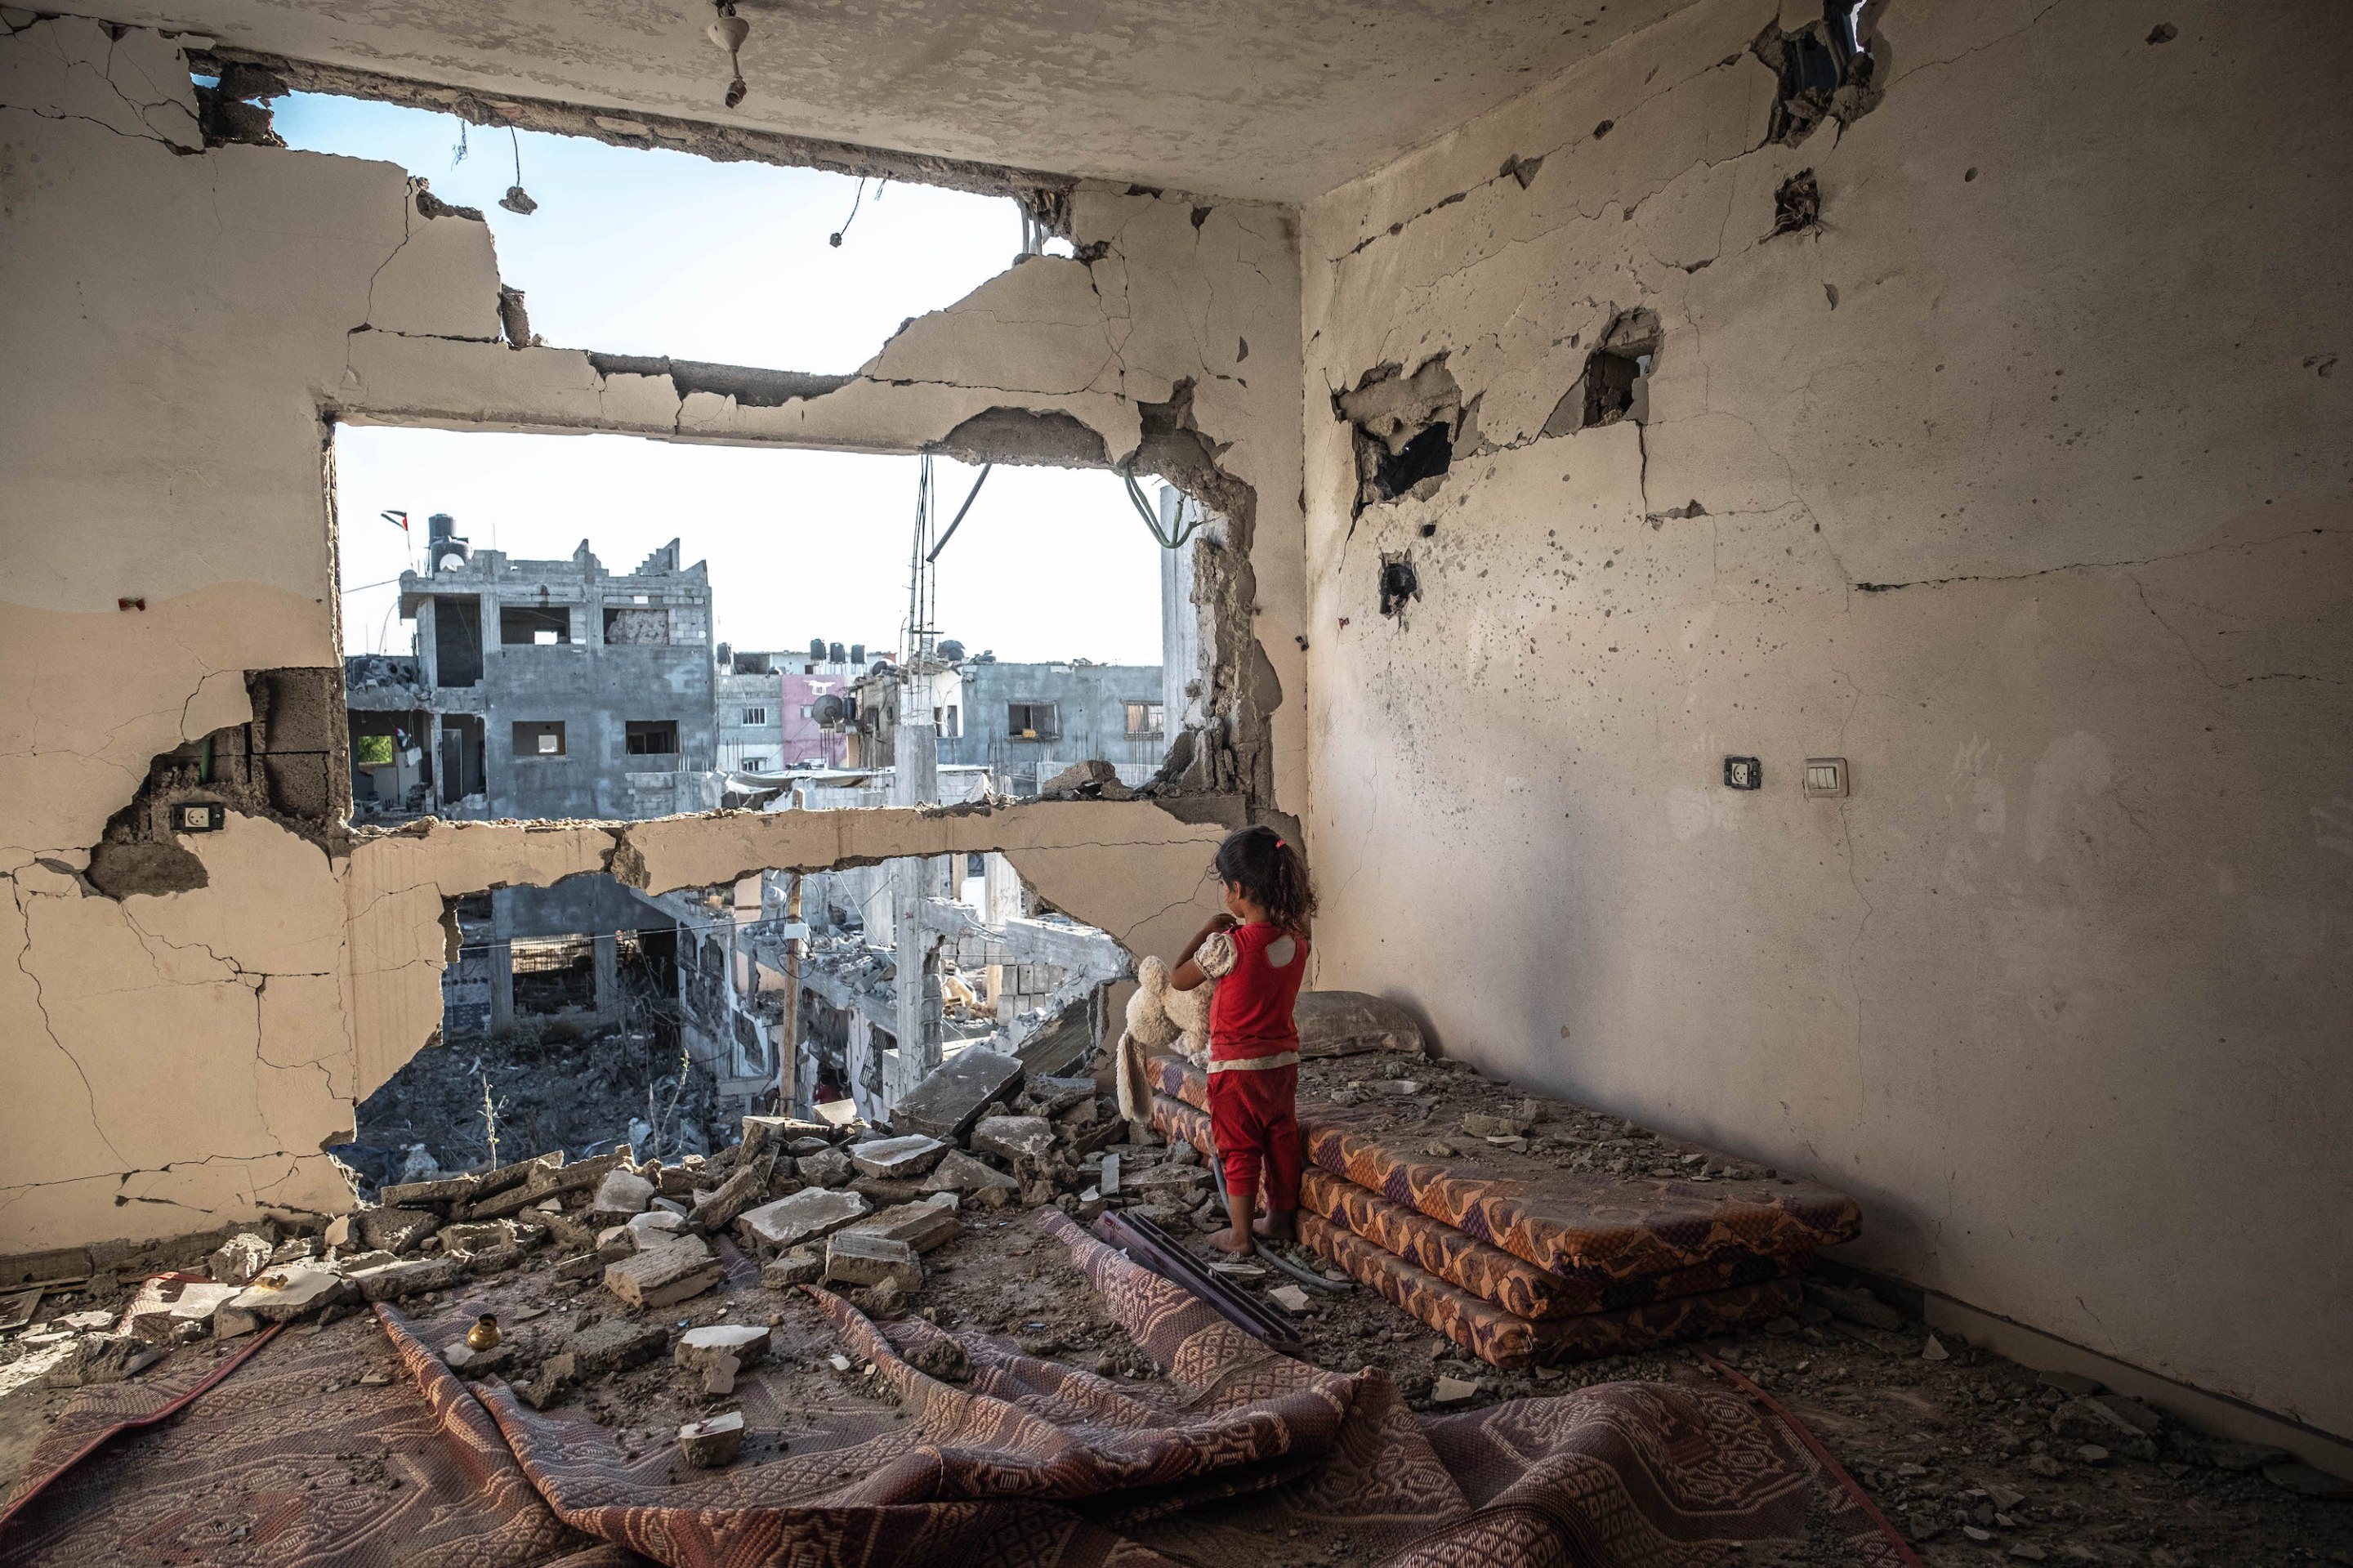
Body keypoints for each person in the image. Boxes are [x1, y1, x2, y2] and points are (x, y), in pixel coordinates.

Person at [1170, 824, 1315, 1257]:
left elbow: (1179, 979)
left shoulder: (1228, 946)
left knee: (1239, 1146)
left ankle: (1239, 1234)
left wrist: (1208, 930)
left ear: (1236, 890)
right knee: (1280, 1138)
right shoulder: (1297, 942)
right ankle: (1278, 1220)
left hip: (1236, 1068)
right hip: (1282, 1064)